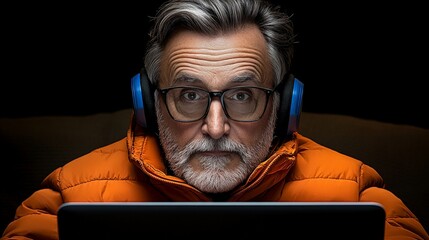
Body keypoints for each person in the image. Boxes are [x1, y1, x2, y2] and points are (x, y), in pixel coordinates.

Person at [2, 0, 428, 239]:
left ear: (284, 104)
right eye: (189, 94)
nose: (216, 127)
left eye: (242, 95)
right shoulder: (66, 199)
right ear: (148, 105)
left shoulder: (358, 195)